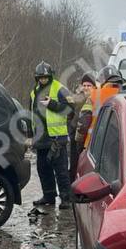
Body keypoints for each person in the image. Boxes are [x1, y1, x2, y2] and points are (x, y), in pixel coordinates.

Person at [29, 61, 73, 207]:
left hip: (57, 138)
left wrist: (52, 104)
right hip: (41, 139)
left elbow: (70, 110)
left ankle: (66, 199)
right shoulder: (33, 92)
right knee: (43, 169)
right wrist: (30, 135)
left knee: (61, 171)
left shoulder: (60, 89)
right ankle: (48, 196)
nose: (43, 80)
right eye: (40, 78)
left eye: (45, 77)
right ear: (37, 78)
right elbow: (32, 115)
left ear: (50, 76)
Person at [71, 74, 96, 176]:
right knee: (74, 164)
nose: (86, 88)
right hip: (75, 135)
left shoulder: (95, 99)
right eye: (84, 85)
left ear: (94, 87)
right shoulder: (77, 99)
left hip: (87, 139)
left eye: (88, 85)